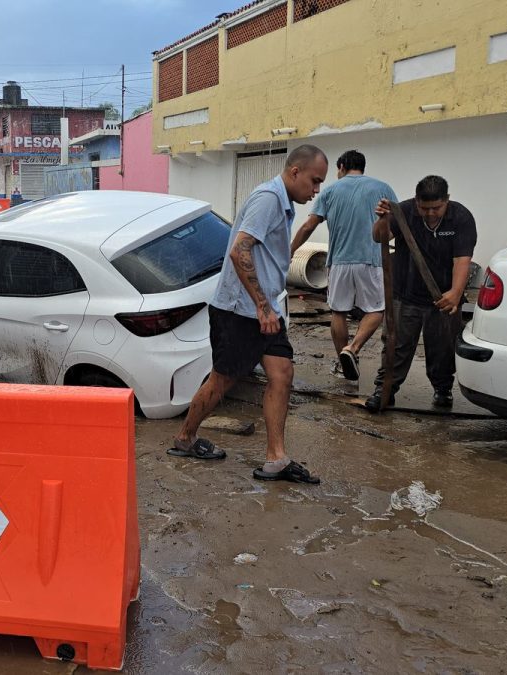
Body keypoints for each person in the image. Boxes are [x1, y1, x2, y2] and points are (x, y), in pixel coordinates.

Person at [169, 145, 328, 484]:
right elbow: (239, 250)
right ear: (295, 171)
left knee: (282, 373)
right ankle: (185, 438)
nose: (316, 191)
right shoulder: (268, 199)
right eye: (314, 181)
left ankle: (276, 459)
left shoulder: (281, 202)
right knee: (223, 379)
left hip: (262, 309)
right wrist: (262, 305)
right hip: (240, 311)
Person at [365, 175, 477, 411]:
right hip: (404, 295)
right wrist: (383, 220)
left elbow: (462, 260)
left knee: (443, 348)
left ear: (447, 200)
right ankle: (385, 389)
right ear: (416, 201)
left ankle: (443, 389)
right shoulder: (404, 210)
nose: (430, 213)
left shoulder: (461, 218)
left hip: (443, 298)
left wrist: (456, 292)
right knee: (396, 346)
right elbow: (379, 237)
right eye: (424, 208)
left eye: (436, 208)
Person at [290, 150, 397, 381]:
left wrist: (290, 250)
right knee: (376, 309)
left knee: (339, 311)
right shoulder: (383, 189)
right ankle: (353, 348)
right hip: (371, 260)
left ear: (341, 167)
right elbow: (395, 225)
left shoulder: (329, 192)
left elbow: (309, 226)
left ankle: (343, 362)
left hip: (338, 261)